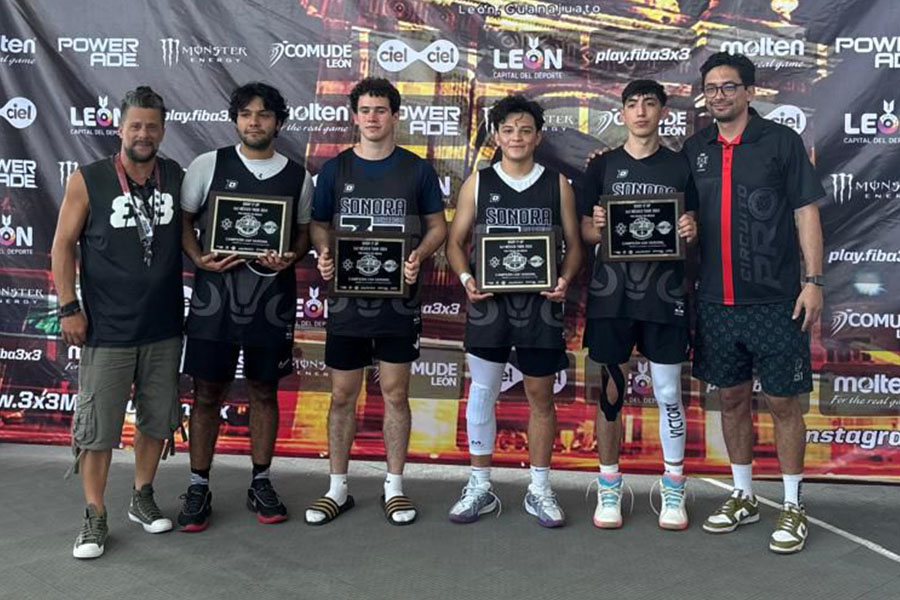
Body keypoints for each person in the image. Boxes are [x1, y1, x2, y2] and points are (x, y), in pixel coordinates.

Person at [682, 52, 825, 554]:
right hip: (715, 301)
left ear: (749, 92)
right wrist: (688, 228)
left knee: (784, 401)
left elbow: (807, 214)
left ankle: (792, 504)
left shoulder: (781, 142)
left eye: (728, 87)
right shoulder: (694, 148)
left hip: (776, 300)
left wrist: (813, 281)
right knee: (733, 398)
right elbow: (687, 217)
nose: (719, 95)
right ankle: (742, 494)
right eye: (711, 88)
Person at [307, 77, 447, 526]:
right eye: (365, 110)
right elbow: (319, 223)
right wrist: (324, 253)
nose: (372, 117)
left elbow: (438, 226)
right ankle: (337, 487)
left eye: (381, 110)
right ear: (354, 116)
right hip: (347, 302)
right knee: (343, 395)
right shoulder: (335, 170)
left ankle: (395, 487)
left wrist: (419, 256)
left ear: (395, 115)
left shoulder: (416, 168)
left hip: (397, 303)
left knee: (395, 393)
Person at [52, 86, 184, 558]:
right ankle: (94, 514)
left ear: (162, 130)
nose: (143, 134)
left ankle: (142, 497)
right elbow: (62, 245)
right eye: (135, 125)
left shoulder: (174, 175)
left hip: (165, 327)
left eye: (152, 126)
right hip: (106, 329)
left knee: (156, 420)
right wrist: (69, 307)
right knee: (98, 430)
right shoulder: (87, 180)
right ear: (120, 128)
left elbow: (188, 237)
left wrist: (212, 257)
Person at [176, 82, 312, 531]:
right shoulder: (207, 164)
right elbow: (185, 220)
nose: (256, 122)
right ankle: (198, 485)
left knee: (264, 392)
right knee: (207, 394)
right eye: (247, 114)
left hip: (270, 302)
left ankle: (261, 480)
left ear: (278, 122)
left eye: (265, 115)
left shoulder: (297, 175)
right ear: (236, 120)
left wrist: (290, 254)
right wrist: (197, 257)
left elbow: (305, 230)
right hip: (214, 301)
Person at [445, 94, 582, 527]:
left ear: (538, 136)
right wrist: (468, 281)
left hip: (540, 308)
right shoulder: (479, 182)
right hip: (490, 308)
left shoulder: (556, 183)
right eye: (508, 130)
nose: (517, 137)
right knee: (483, 393)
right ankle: (480, 485)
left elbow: (575, 245)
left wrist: (565, 279)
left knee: (541, 398)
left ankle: (540, 488)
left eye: (525, 129)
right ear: (497, 136)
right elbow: (453, 242)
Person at [580, 79, 698, 530]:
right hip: (612, 297)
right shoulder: (603, 166)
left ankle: (673, 488)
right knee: (611, 393)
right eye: (632, 104)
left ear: (663, 111)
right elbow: (587, 233)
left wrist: (691, 227)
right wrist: (597, 225)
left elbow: (696, 226)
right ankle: (609, 487)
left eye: (650, 103)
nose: (641, 111)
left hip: (665, 297)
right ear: (622, 113)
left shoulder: (681, 167)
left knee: (669, 393)